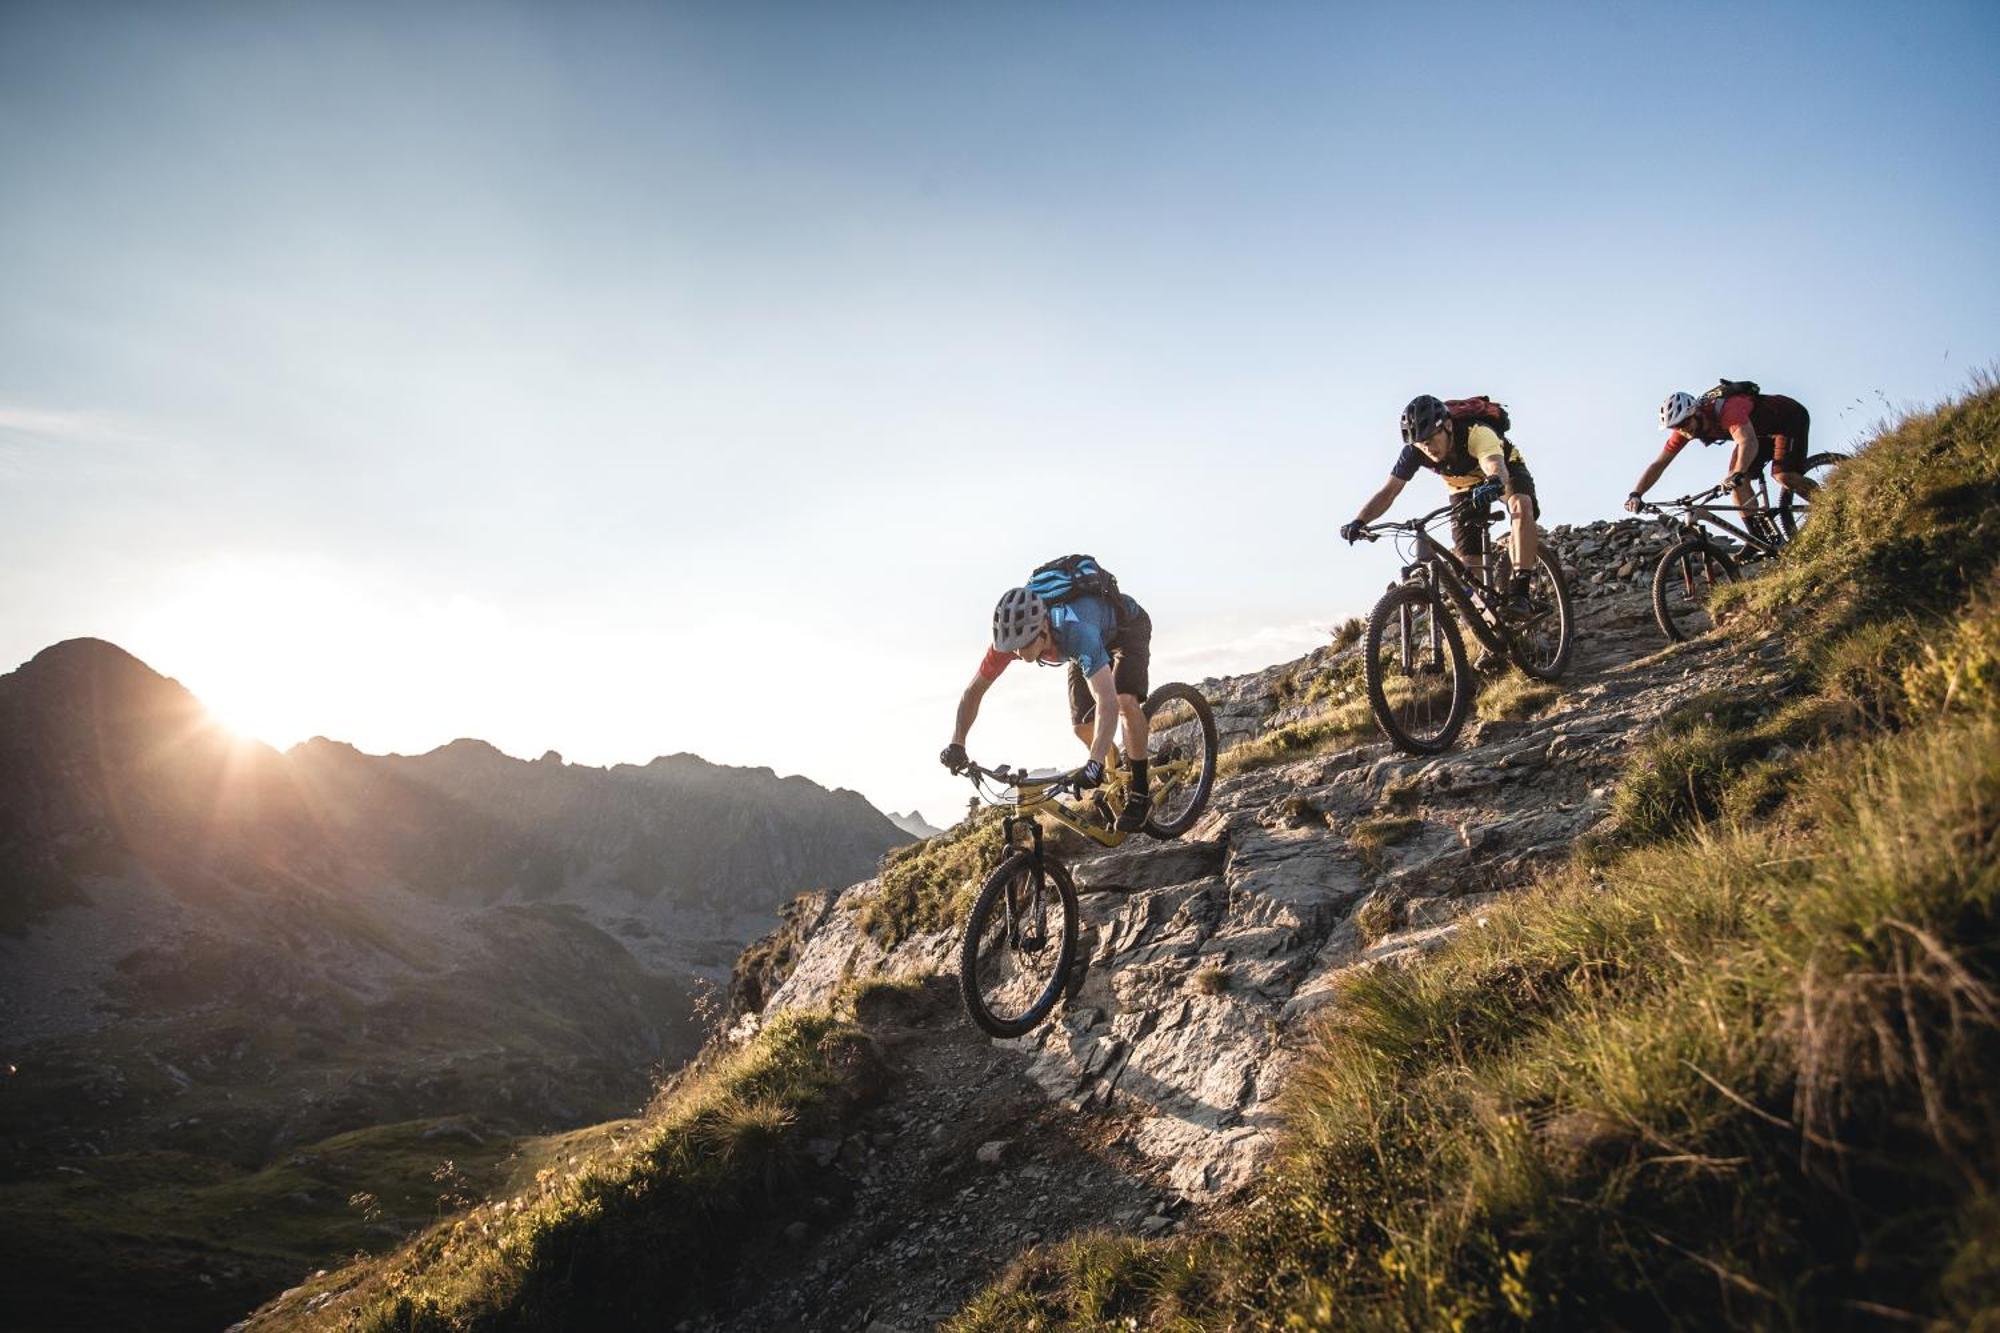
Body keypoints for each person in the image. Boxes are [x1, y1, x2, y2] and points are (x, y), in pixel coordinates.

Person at [939, 568, 1155, 833]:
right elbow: (973, 692)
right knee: (1082, 725)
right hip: (1081, 647)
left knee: (1122, 701)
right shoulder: (1010, 641)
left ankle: (1141, 793)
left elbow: (1105, 700)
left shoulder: (1076, 630)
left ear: (1042, 626)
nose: (1018, 652)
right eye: (1012, 647)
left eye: (1024, 644)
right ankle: (1118, 773)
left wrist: (1094, 762)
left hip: (1125, 629)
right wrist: (957, 742)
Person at [1340, 394, 1543, 617]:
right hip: (1462, 487)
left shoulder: (1476, 432)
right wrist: (1359, 521)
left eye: (1431, 438)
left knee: (1521, 505)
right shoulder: (1414, 451)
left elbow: (1494, 465)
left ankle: (1520, 593)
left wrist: (1494, 483)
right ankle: (1489, 626)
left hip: (1504, 469)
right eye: (1421, 442)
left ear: (1447, 426)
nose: (1427, 447)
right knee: (1467, 563)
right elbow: (1388, 493)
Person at [1627, 382, 1817, 516]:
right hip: (1757, 433)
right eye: (1676, 427)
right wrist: (1636, 494)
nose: (1683, 429)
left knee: (1784, 476)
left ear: (1696, 413)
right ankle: (1758, 539)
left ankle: (1829, 503)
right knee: (1738, 485)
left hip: (1788, 419)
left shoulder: (1727, 410)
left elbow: (1747, 442)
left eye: (1685, 422)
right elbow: (1659, 464)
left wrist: (1737, 472)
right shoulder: (1684, 431)